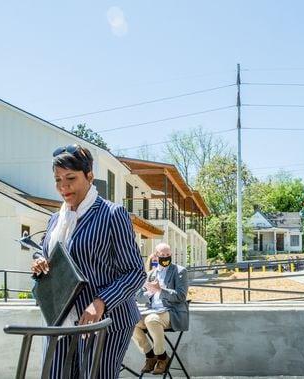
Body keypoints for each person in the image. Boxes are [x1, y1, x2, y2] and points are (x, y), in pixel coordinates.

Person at [31, 144, 146, 379]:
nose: (63, 186)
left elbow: (136, 272)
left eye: (70, 178)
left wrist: (101, 302)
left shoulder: (112, 215)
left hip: (106, 321)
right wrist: (40, 261)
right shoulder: (55, 220)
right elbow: (46, 253)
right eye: (58, 179)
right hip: (60, 319)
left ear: (90, 176)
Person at [131, 243, 189, 375]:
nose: (165, 257)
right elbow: (138, 297)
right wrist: (149, 293)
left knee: (152, 320)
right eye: (162, 255)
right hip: (152, 310)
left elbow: (181, 296)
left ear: (171, 255)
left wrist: (160, 290)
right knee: (131, 320)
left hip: (171, 312)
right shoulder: (150, 274)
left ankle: (162, 358)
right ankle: (150, 356)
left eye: (168, 255)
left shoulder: (180, 271)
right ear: (156, 256)